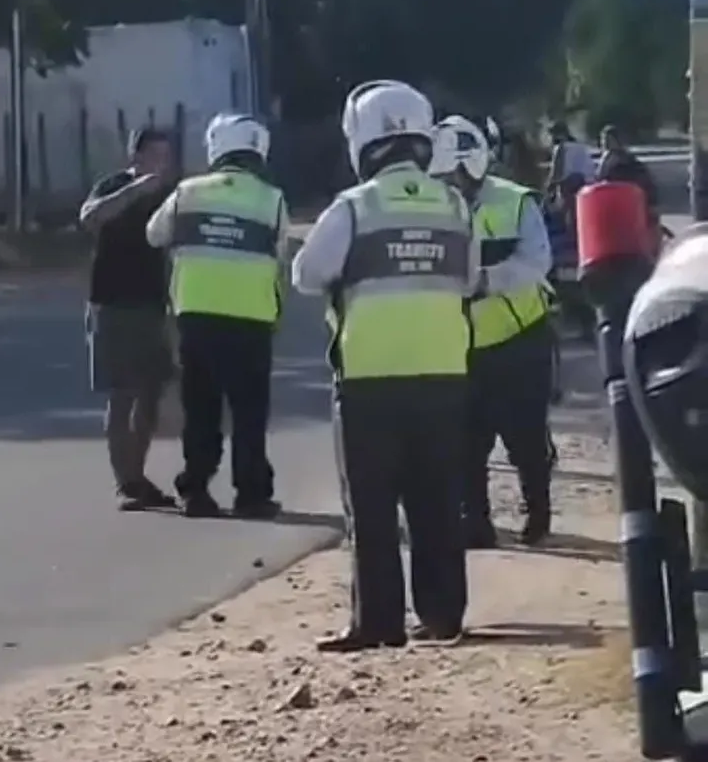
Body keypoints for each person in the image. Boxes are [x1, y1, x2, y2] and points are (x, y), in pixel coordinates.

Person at [293, 81, 474, 651]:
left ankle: (379, 623)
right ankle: (443, 615)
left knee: (371, 509)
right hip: (444, 373)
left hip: (370, 377)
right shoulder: (454, 205)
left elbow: (306, 274)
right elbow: (469, 280)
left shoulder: (355, 206)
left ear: (364, 142)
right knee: (437, 501)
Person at [146, 113, 289, 519]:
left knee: (201, 408)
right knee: (249, 412)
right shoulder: (272, 199)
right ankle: (252, 495)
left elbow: (154, 235)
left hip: (196, 316)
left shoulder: (187, 193)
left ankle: (196, 490)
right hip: (252, 319)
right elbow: (281, 254)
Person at [430, 115, 555, 547]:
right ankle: (475, 522)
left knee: (526, 439)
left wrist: (485, 281)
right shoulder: (432, 208)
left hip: (520, 340)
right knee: (466, 441)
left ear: (473, 164)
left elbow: (537, 262)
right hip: (459, 345)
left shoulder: (516, 202)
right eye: (440, 176)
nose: (449, 184)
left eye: (453, 175)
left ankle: (537, 511)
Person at [78, 126, 177, 512]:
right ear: (135, 156)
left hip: (153, 304)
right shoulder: (114, 186)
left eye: (165, 157)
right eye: (153, 156)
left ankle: (138, 475)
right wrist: (135, 190)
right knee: (122, 394)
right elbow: (89, 218)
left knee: (152, 391)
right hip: (112, 303)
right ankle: (126, 483)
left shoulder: (171, 196)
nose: (160, 165)